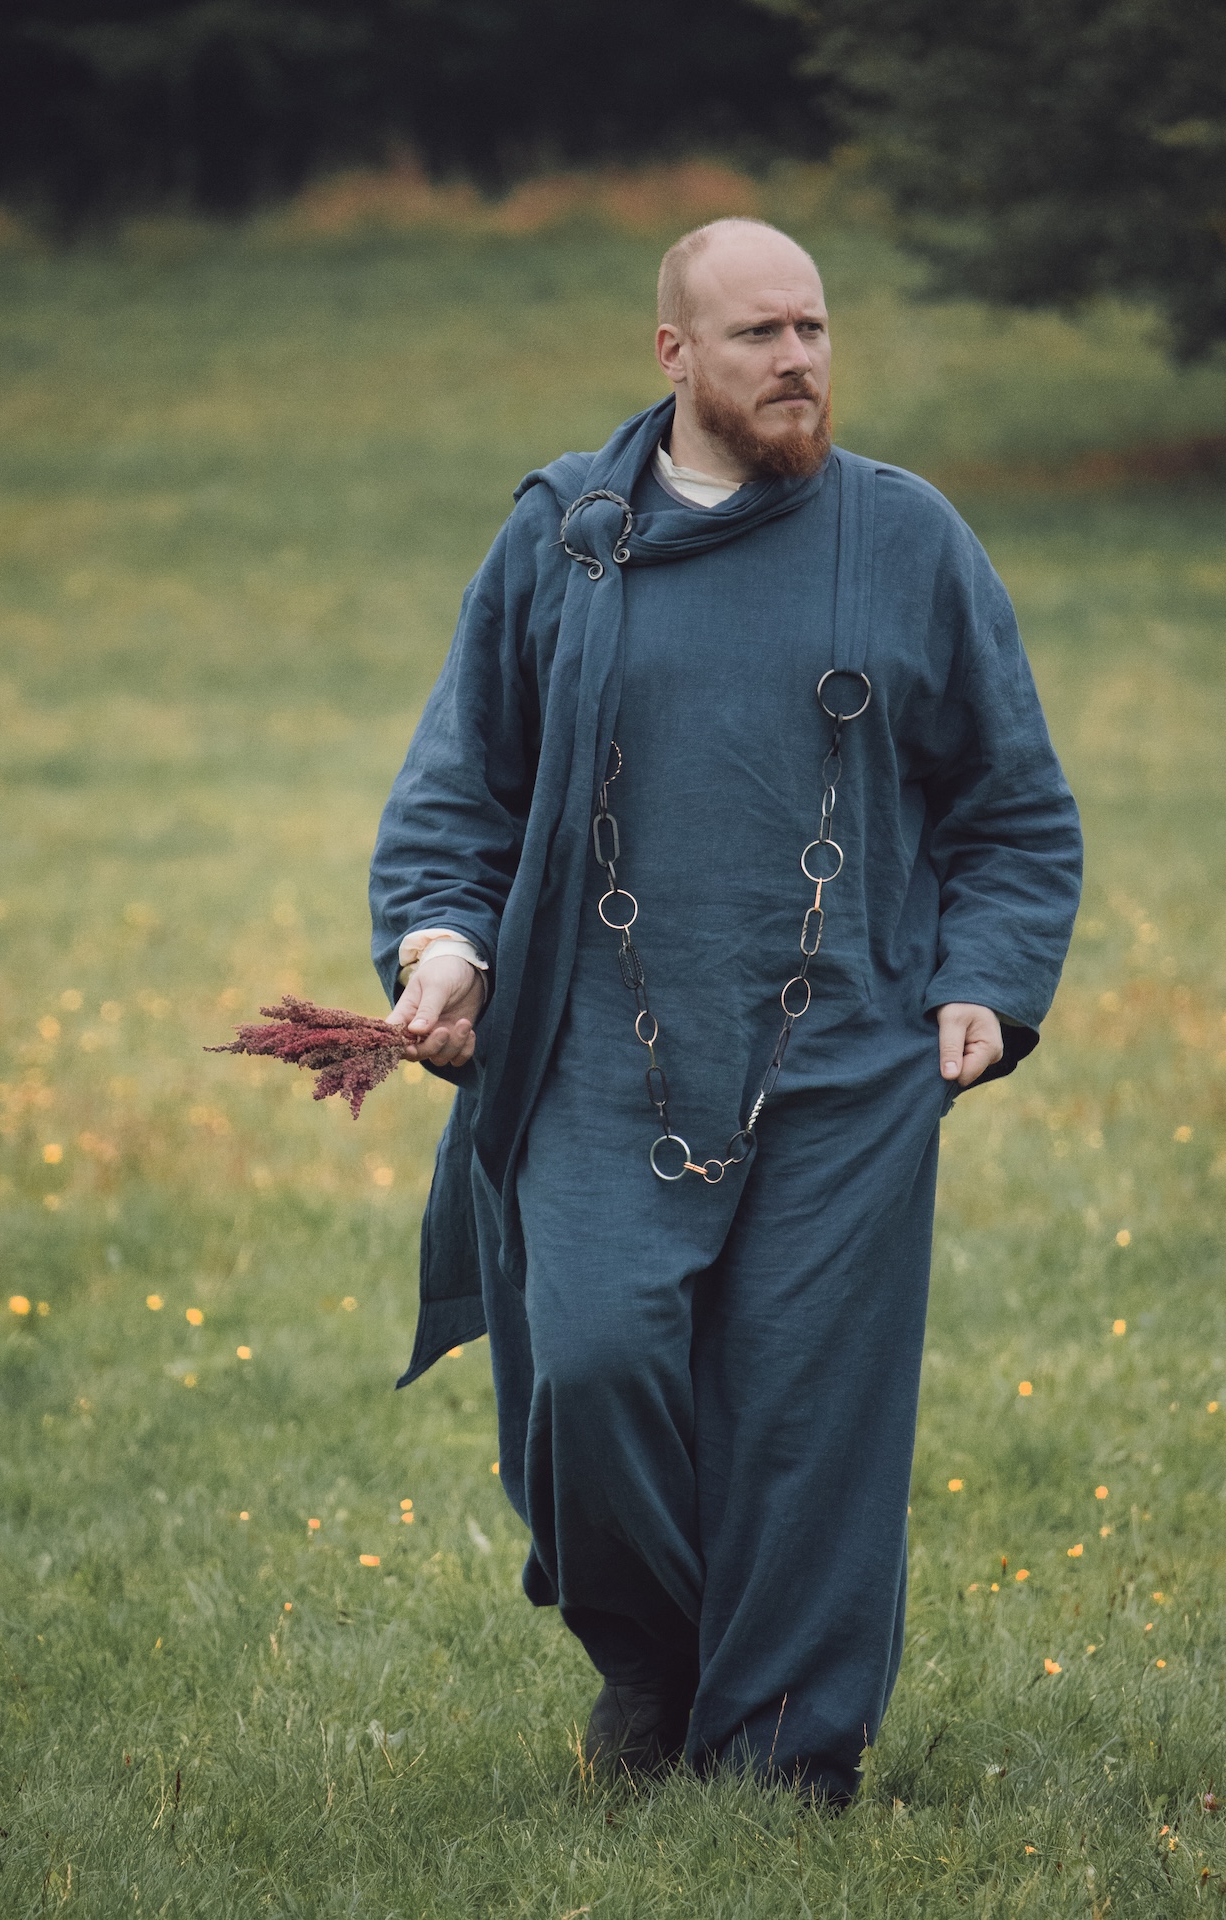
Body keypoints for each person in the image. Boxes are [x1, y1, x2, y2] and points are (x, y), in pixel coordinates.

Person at [369, 219, 1082, 1800]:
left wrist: (988, 975)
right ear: (675, 354)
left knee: (803, 1421)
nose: (798, 360)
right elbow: (461, 789)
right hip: (596, 1056)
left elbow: (1014, 807)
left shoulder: (907, 539)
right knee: (593, 1365)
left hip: (846, 1059)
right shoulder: (570, 535)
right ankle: (655, 1661)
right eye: (759, 334)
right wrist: (443, 946)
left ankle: (781, 1764)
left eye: (814, 328)